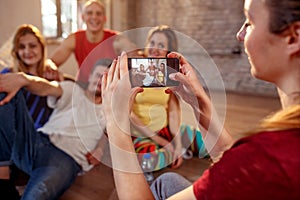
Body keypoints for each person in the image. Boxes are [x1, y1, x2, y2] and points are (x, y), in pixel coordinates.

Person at [101, 0, 300, 198]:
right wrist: (200, 107)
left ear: (293, 37)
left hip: (161, 132)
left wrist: (115, 120)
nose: (239, 35)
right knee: (167, 180)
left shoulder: (263, 156)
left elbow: (239, 164)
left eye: (249, 22)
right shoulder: (271, 149)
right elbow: (234, 161)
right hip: (148, 133)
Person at [0, 58, 111, 199]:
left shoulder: (109, 111)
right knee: (5, 91)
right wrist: (24, 79)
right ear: (90, 76)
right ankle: (2, 173)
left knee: (37, 195)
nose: (100, 81)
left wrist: (100, 149)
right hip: (36, 142)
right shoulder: (73, 90)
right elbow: (47, 87)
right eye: (98, 75)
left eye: (106, 78)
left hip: (65, 158)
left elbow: (106, 132)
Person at [130, 25, 208, 172]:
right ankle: (168, 152)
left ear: (168, 51)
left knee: (208, 144)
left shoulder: (169, 74)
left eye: (161, 45)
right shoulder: (135, 70)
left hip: (165, 129)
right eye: (152, 43)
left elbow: (173, 113)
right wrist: (159, 141)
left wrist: (177, 144)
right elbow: (130, 114)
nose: (155, 48)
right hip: (141, 134)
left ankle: (176, 150)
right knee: (147, 162)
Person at [49, 0, 136, 85]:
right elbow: (51, 62)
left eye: (98, 13)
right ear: (83, 17)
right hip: (83, 89)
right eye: (89, 13)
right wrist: (53, 70)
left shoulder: (116, 39)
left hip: (106, 89)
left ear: (104, 18)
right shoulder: (75, 39)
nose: (94, 17)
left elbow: (136, 56)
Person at [1, 24, 67, 129]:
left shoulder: (51, 75)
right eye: (21, 47)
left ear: (41, 47)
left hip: (43, 135)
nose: (27, 51)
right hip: (14, 133)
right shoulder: (8, 74)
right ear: (16, 52)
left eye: (32, 46)